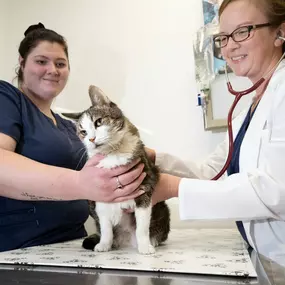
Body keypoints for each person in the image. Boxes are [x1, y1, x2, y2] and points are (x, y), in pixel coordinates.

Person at [149, 0, 285, 259]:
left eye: (243, 31)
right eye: (223, 37)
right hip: (266, 256)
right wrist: (154, 158)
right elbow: (213, 172)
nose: (230, 45)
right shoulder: (250, 107)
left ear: (280, 32)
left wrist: (173, 187)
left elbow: (277, 189)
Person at [0, 23, 146, 252]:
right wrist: (82, 184)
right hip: (22, 249)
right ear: (21, 62)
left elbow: (117, 157)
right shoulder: (7, 99)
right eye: (41, 61)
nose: (53, 69)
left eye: (60, 64)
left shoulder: (70, 127)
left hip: (74, 244)